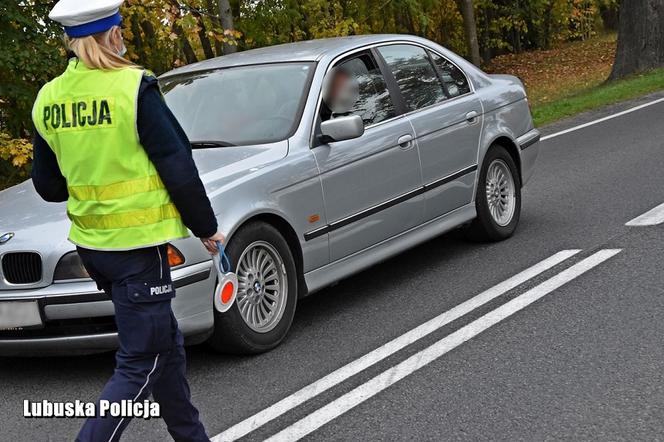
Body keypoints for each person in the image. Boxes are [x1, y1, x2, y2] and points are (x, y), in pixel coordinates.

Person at [31, 1, 222, 440]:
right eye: (119, 31)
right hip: (136, 249)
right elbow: (178, 166)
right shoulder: (133, 87)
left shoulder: (50, 98)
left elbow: (48, 186)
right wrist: (207, 228)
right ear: (112, 35)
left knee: (165, 348)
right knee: (142, 361)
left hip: (93, 249)